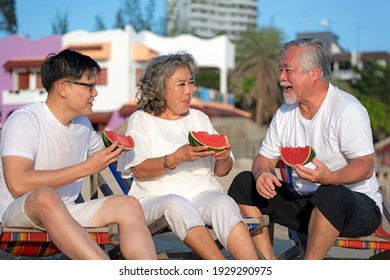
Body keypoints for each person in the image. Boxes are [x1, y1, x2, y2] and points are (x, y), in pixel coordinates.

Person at [228, 38, 383, 260]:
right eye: (280, 69)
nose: (281, 77)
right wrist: (262, 173)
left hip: (356, 206)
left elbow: (365, 166)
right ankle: (269, 266)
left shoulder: (346, 109)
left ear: (315, 73)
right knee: (244, 183)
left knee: (330, 193)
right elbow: (264, 158)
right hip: (303, 204)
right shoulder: (284, 113)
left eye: (288, 70)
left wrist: (330, 177)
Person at [0, 49, 157, 260]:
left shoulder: (82, 124)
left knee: (128, 205)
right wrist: (85, 168)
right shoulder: (25, 120)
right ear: (63, 88)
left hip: (67, 212)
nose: (95, 93)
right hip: (19, 212)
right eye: (90, 86)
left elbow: (110, 155)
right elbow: (17, 184)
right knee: (46, 195)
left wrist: (173, 153)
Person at [117, 51, 259, 260]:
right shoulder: (141, 120)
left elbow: (222, 171)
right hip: (154, 198)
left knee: (223, 202)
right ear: (159, 88)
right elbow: (139, 171)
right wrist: (177, 157)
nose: (189, 91)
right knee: (176, 203)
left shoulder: (200, 118)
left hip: (202, 194)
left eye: (191, 83)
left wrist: (222, 157)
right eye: (181, 84)